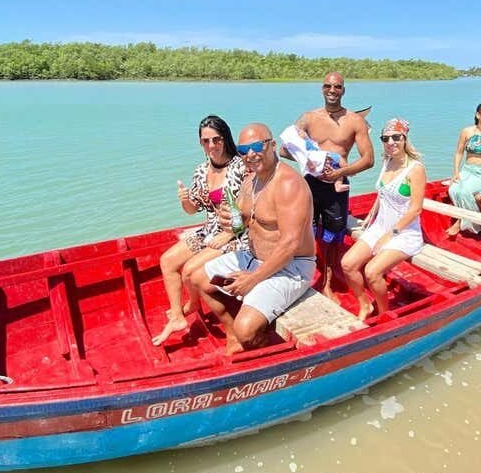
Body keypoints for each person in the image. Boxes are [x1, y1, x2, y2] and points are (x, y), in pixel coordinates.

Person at [191, 123, 316, 354]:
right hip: (253, 256)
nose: (250, 154)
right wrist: (230, 222)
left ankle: (270, 352)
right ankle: (233, 335)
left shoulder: (288, 184)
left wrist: (253, 279)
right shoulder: (251, 180)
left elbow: (290, 244)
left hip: (291, 267)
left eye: (257, 146)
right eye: (243, 149)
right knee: (199, 278)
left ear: (272, 145)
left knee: (246, 329)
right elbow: (243, 222)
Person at [152, 115, 248, 347]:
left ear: (225, 139)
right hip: (210, 231)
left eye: (216, 139)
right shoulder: (201, 170)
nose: (212, 145)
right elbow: (192, 209)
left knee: (189, 271)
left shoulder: (241, 167)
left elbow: (252, 208)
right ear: (200, 144)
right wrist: (184, 200)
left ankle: (196, 305)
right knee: (167, 261)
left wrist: (230, 231)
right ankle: (177, 316)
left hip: (236, 234)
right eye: (206, 141)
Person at [280, 72, 374, 302]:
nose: (332, 90)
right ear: (322, 89)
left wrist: (340, 172)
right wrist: (310, 162)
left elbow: (368, 159)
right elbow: (284, 149)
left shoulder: (355, 121)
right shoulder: (308, 118)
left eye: (337, 87)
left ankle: (328, 283)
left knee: (333, 239)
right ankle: (303, 278)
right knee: (306, 233)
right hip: (310, 184)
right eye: (328, 86)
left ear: (343, 90)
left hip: (336, 187)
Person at [340, 118, 426, 320]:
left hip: (404, 233)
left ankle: (384, 312)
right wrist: (372, 211)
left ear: (405, 139)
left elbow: (415, 210)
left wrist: (389, 235)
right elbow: (383, 192)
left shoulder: (415, 169)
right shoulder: (387, 161)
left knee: (372, 272)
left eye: (396, 137)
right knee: (347, 264)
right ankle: (365, 305)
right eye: (385, 138)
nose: (391, 142)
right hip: (380, 227)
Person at [445, 101, 481, 236]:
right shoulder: (467, 131)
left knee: (465, 192)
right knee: (453, 189)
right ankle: (469, 220)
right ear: (478, 115)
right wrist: (455, 172)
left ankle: (461, 222)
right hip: (467, 170)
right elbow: (459, 152)